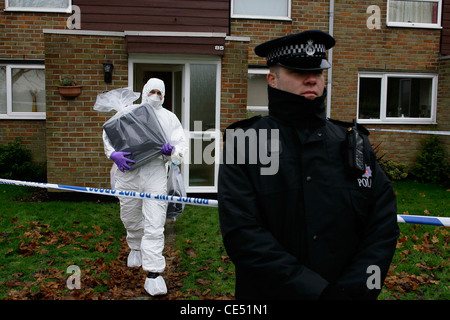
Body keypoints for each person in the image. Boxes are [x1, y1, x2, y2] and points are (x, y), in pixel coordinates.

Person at [218, 30, 399, 300]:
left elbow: (383, 225)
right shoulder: (245, 143)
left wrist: (360, 287)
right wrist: (315, 291)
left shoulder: (352, 143)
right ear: (272, 79)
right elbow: (242, 234)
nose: (312, 78)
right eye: (298, 72)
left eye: (319, 72)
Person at [103, 78, 188, 296]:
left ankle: (153, 274)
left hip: (155, 174)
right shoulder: (129, 112)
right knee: (130, 215)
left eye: (160, 92)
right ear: (144, 92)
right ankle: (135, 246)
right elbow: (109, 134)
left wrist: (173, 152)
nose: (156, 95)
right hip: (128, 172)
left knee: (155, 222)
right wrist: (113, 154)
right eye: (152, 91)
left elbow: (181, 144)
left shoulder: (170, 118)